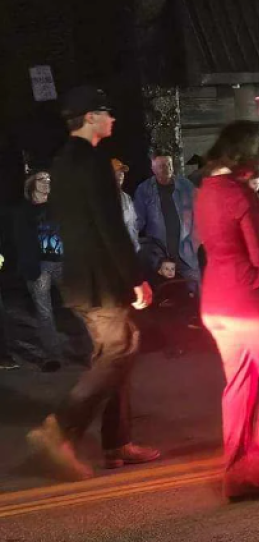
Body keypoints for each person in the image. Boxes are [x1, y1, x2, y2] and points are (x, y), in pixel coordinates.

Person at [27, 85, 158, 480]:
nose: (112, 118)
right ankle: (59, 430)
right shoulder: (92, 160)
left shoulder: (62, 161)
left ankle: (117, 442)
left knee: (118, 352)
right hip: (99, 281)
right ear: (89, 117)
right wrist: (136, 278)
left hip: (80, 278)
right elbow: (109, 225)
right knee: (118, 350)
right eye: (106, 111)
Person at [196, 121, 259, 501]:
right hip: (246, 298)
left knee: (238, 382)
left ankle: (234, 472)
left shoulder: (205, 191)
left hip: (214, 299)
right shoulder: (240, 195)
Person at [14, 172, 64, 372]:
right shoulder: (23, 211)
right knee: (44, 312)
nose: (47, 182)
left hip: (61, 263)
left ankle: (98, 347)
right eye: (42, 179)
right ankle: (53, 355)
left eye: (50, 179)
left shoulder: (57, 206)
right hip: (38, 265)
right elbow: (20, 240)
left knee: (79, 304)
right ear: (32, 184)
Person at [134, 154, 201, 293]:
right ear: (153, 169)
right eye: (162, 166)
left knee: (195, 293)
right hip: (161, 256)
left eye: (169, 164)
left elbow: (200, 212)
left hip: (187, 254)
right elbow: (137, 222)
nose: (167, 168)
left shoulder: (186, 186)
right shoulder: (145, 190)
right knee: (166, 295)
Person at [112, 159, 139, 251]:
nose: (121, 175)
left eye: (122, 172)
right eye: (117, 171)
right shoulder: (100, 197)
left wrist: (135, 248)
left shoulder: (126, 198)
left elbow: (132, 225)